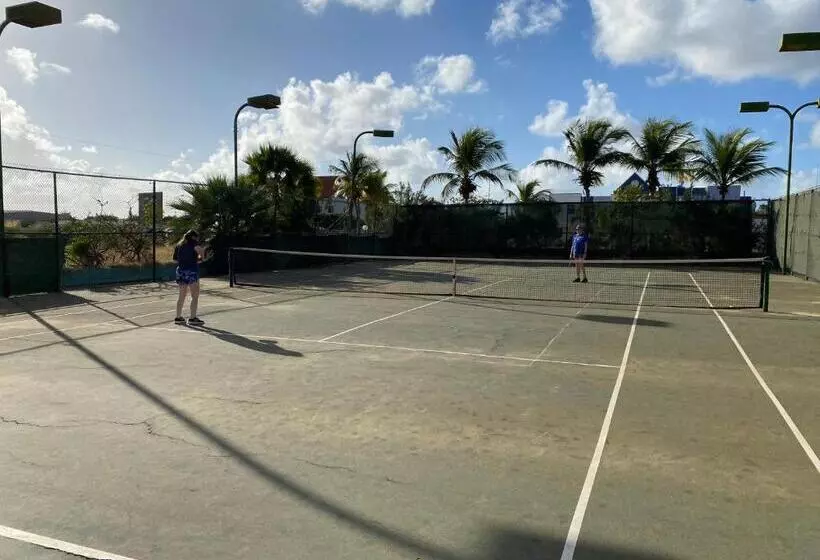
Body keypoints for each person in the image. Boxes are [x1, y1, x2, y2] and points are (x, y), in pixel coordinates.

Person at [173, 230, 206, 325]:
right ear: (194, 237)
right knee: (195, 295)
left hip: (181, 271)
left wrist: (188, 260)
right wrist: (202, 256)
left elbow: (175, 260)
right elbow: (201, 253)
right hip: (191, 271)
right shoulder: (194, 244)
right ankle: (192, 318)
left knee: (181, 295)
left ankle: (178, 317)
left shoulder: (179, 245)